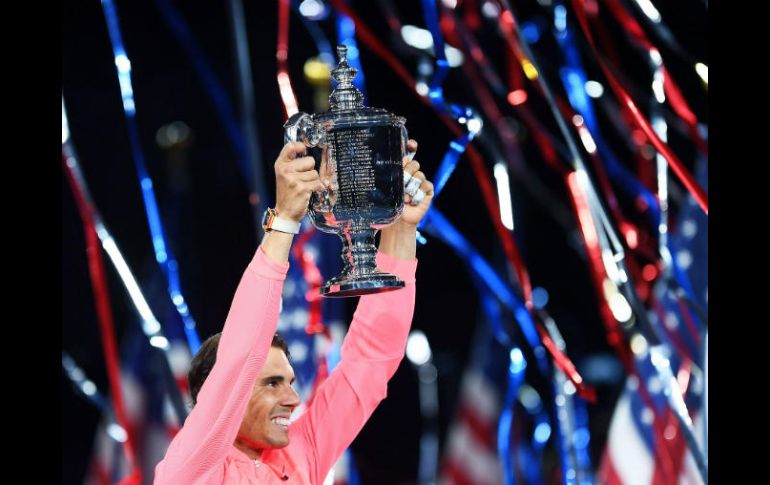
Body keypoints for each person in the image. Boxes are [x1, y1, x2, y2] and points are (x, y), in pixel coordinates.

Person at [154, 139, 433, 483]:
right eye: (272, 383)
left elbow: (371, 361)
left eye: (287, 382)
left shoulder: (301, 454)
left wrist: (401, 229)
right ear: (224, 393)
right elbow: (242, 356)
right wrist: (284, 220)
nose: (292, 398)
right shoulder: (192, 467)